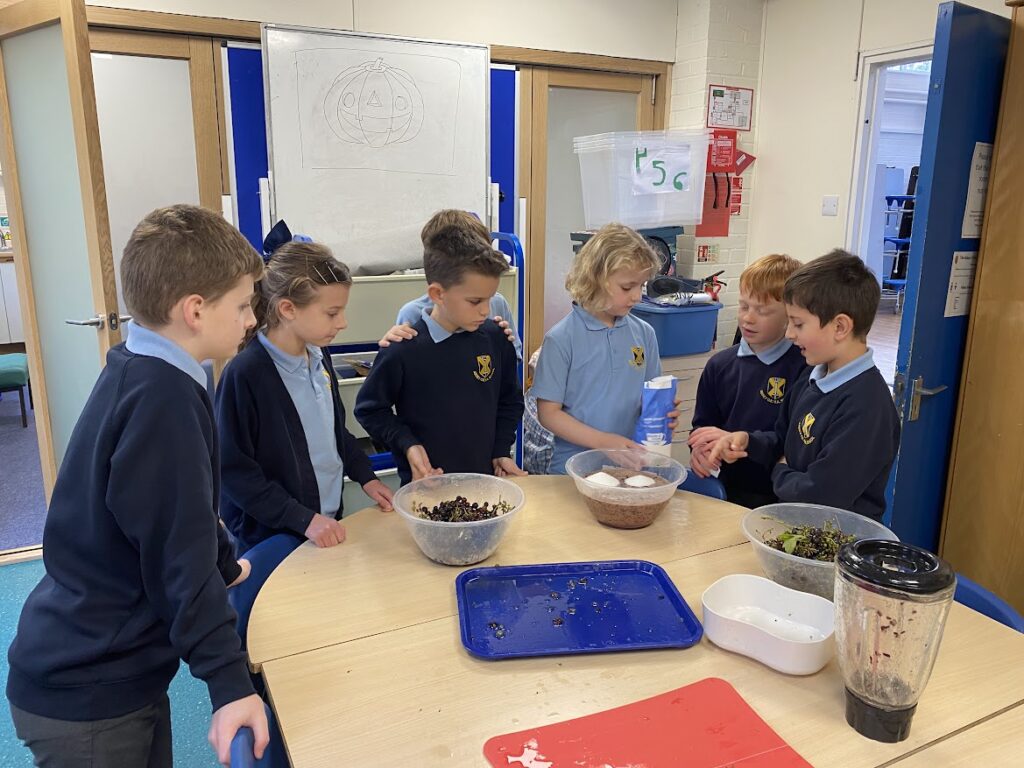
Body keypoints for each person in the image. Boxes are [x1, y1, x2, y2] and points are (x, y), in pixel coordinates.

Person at [7, 205, 269, 767]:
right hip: (89, 689)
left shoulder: (151, 367)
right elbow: (179, 554)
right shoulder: (163, 399)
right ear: (195, 310)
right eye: (244, 305)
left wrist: (224, 563)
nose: (252, 319)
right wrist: (230, 684)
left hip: (120, 669)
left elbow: (178, 508)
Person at [217, 240, 394, 553]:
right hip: (273, 538)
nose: (343, 323)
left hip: (322, 525)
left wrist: (366, 477)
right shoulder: (245, 374)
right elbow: (233, 471)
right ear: (287, 309)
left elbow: (335, 431)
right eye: (332, 313)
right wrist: (302, 519)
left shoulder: (320, 356)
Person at [709, 249, 901, 520]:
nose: (789, 334)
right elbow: (782, 440)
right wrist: (748, 441)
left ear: (840, 327)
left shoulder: (867, 406)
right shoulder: (812, 377)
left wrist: (780, 470)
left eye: (798, 324)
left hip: (835, 537)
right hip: (791, 525)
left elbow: (820, 495)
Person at [355, 225, 525, 484]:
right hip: (427, 487)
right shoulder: (403, 349)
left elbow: (510, 401)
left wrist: (501, 450)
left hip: (486, 484)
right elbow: (370, 410)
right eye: (475, 301)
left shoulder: (496, 338)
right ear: (437, 294)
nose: (485, 310)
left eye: (489, 299)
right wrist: (408, 444)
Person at [532, 223, 678, 474]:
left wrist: (663, 414)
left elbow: (649, 398)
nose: (637, 296)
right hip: (572, 471)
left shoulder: (644, 334)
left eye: (641, 285)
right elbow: (549, 414)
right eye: (627, 287)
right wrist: (603, 442)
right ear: (595, 279)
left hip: (630, 467)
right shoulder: (561, 339)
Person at [688, 254, 808, 507]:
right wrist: (700, 450)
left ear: (790, 315)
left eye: (762, 311)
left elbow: (794, 442)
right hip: (722, 490)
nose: (748, 318)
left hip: (776, 498)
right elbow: (702, 426)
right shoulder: (719, 365)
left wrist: (744, 441)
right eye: (744, 306)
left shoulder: (804, 367)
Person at [378, 209, 522, 359]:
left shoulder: (498, 303)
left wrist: (504, 345)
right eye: (475, 301)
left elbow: (514, 356)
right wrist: (392, 344)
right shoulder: (412, 313)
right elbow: (403, 357)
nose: (485, 310)